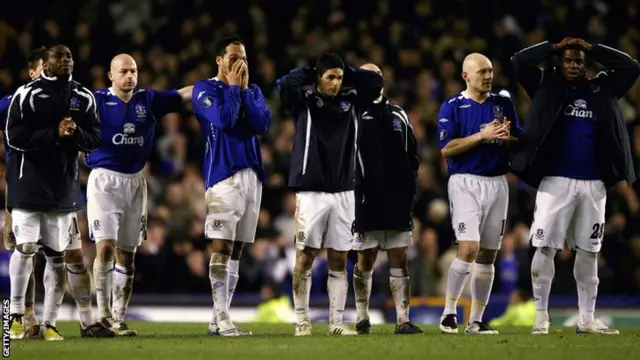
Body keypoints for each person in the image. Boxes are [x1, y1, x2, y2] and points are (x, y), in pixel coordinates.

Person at [510, 37, 639, 335]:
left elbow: (632, 67)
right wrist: (553, 47)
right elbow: (518, 62)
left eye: (579, 61)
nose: (573, 65)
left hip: (594, 184)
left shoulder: (602, 88)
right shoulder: (547, 85)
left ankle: (587, 319)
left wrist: (594, 48)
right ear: (560, 62)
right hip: (555, 182)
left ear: (586, 64)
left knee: (589, 251)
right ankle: (541, 316)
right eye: (568, 60)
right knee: (545, 247)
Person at [2, 47, 114, 340]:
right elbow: (15, 136)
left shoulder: (84, 97)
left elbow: (95, 139)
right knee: (25, 249)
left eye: (69, 56)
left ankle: (50, 324)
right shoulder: (25, 95)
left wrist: (74, 133)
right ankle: (13, 317)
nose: (66, 60)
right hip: (28, 185)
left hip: (63, 189)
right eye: (59, 57)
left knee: (57, 257)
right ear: (44, 65)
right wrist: (55, 133)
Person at [277, 53, 383, 336]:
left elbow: (376, 81)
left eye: (339, 78)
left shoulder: (353, 102)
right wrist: (313, 70)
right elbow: (287, 82)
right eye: (330, 77)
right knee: (305, 256)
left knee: (339, 257)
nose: (336, 83)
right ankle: (302, 320)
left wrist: (347, 72)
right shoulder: (305, 102)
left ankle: (336, 322)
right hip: (311, 191)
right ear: (318, 79)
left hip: (344, 191)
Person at [87, 53, 193, 336]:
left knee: (127, 255)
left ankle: (120, 319)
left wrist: (215, 84)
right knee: (105, 247)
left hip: (135, 182)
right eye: (123, 71)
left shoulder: (148, 100)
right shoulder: (95, 101)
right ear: (111, 76)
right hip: (104, 181)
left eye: (133, 71)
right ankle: (103, 316)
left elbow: (182, 96)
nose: (130, 76)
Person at [437, 53, 521, 335]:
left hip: (498, 182)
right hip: (465, 182)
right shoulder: (452, 106)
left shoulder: (503, 103)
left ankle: (477, 320)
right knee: (469, 248)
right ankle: (449, 312)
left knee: (488, 254)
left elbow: (518, 137)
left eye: (491, 71)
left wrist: (507, 136)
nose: (488, 76)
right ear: (466, 76)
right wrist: (481, 136)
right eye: (482, 71)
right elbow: (447, 148)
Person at [192, 35, 270, 337]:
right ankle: (223, 320)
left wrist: (245, 90)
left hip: (252, 175)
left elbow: (262, 123)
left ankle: (218, 319)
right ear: (219, 60)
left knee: (237, 248)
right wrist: (236, 90)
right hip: (223, 176)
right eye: (234, 57)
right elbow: (223, 120)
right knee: (221, 245)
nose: (241, 63)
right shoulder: (205, 89)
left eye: (245, 58)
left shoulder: (253, 90)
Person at [351, 63, 422, 335]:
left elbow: (412, 154)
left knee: (399, 258)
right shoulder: (355, 114)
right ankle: (362, 317)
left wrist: (408, 186)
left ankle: (402, 319)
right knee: (365, 259)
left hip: (396, 201)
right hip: (367, 199)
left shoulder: (399, 114)